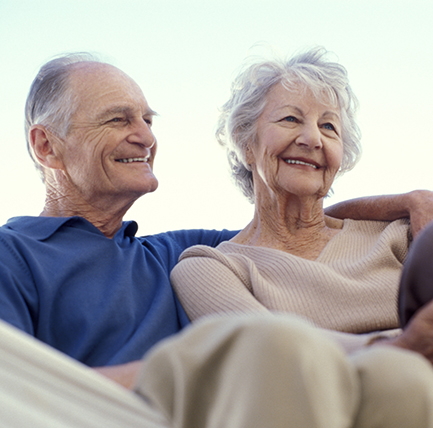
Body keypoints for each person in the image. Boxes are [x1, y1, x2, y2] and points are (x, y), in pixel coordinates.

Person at [1, 51, 433, 427]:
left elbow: (292, 224)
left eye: (148, 120)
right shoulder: (14, 254)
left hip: (214, 409)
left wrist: (404, 201)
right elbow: (13, 386)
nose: (147, 136)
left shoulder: (167, 252)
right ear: (46, 146)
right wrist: (211, 364)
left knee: (397, 378)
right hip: (93, 412)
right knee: (268, 346)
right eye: (119, 119)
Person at [170, 46, 433, 424]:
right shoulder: (210, 268)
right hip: (328, 406)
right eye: (292, 119)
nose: (313, 138)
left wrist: (413, 200)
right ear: (246, 144)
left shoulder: (398, 235)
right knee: (399, 379)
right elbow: (265, 351)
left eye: (329, 127)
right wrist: (396, 346)